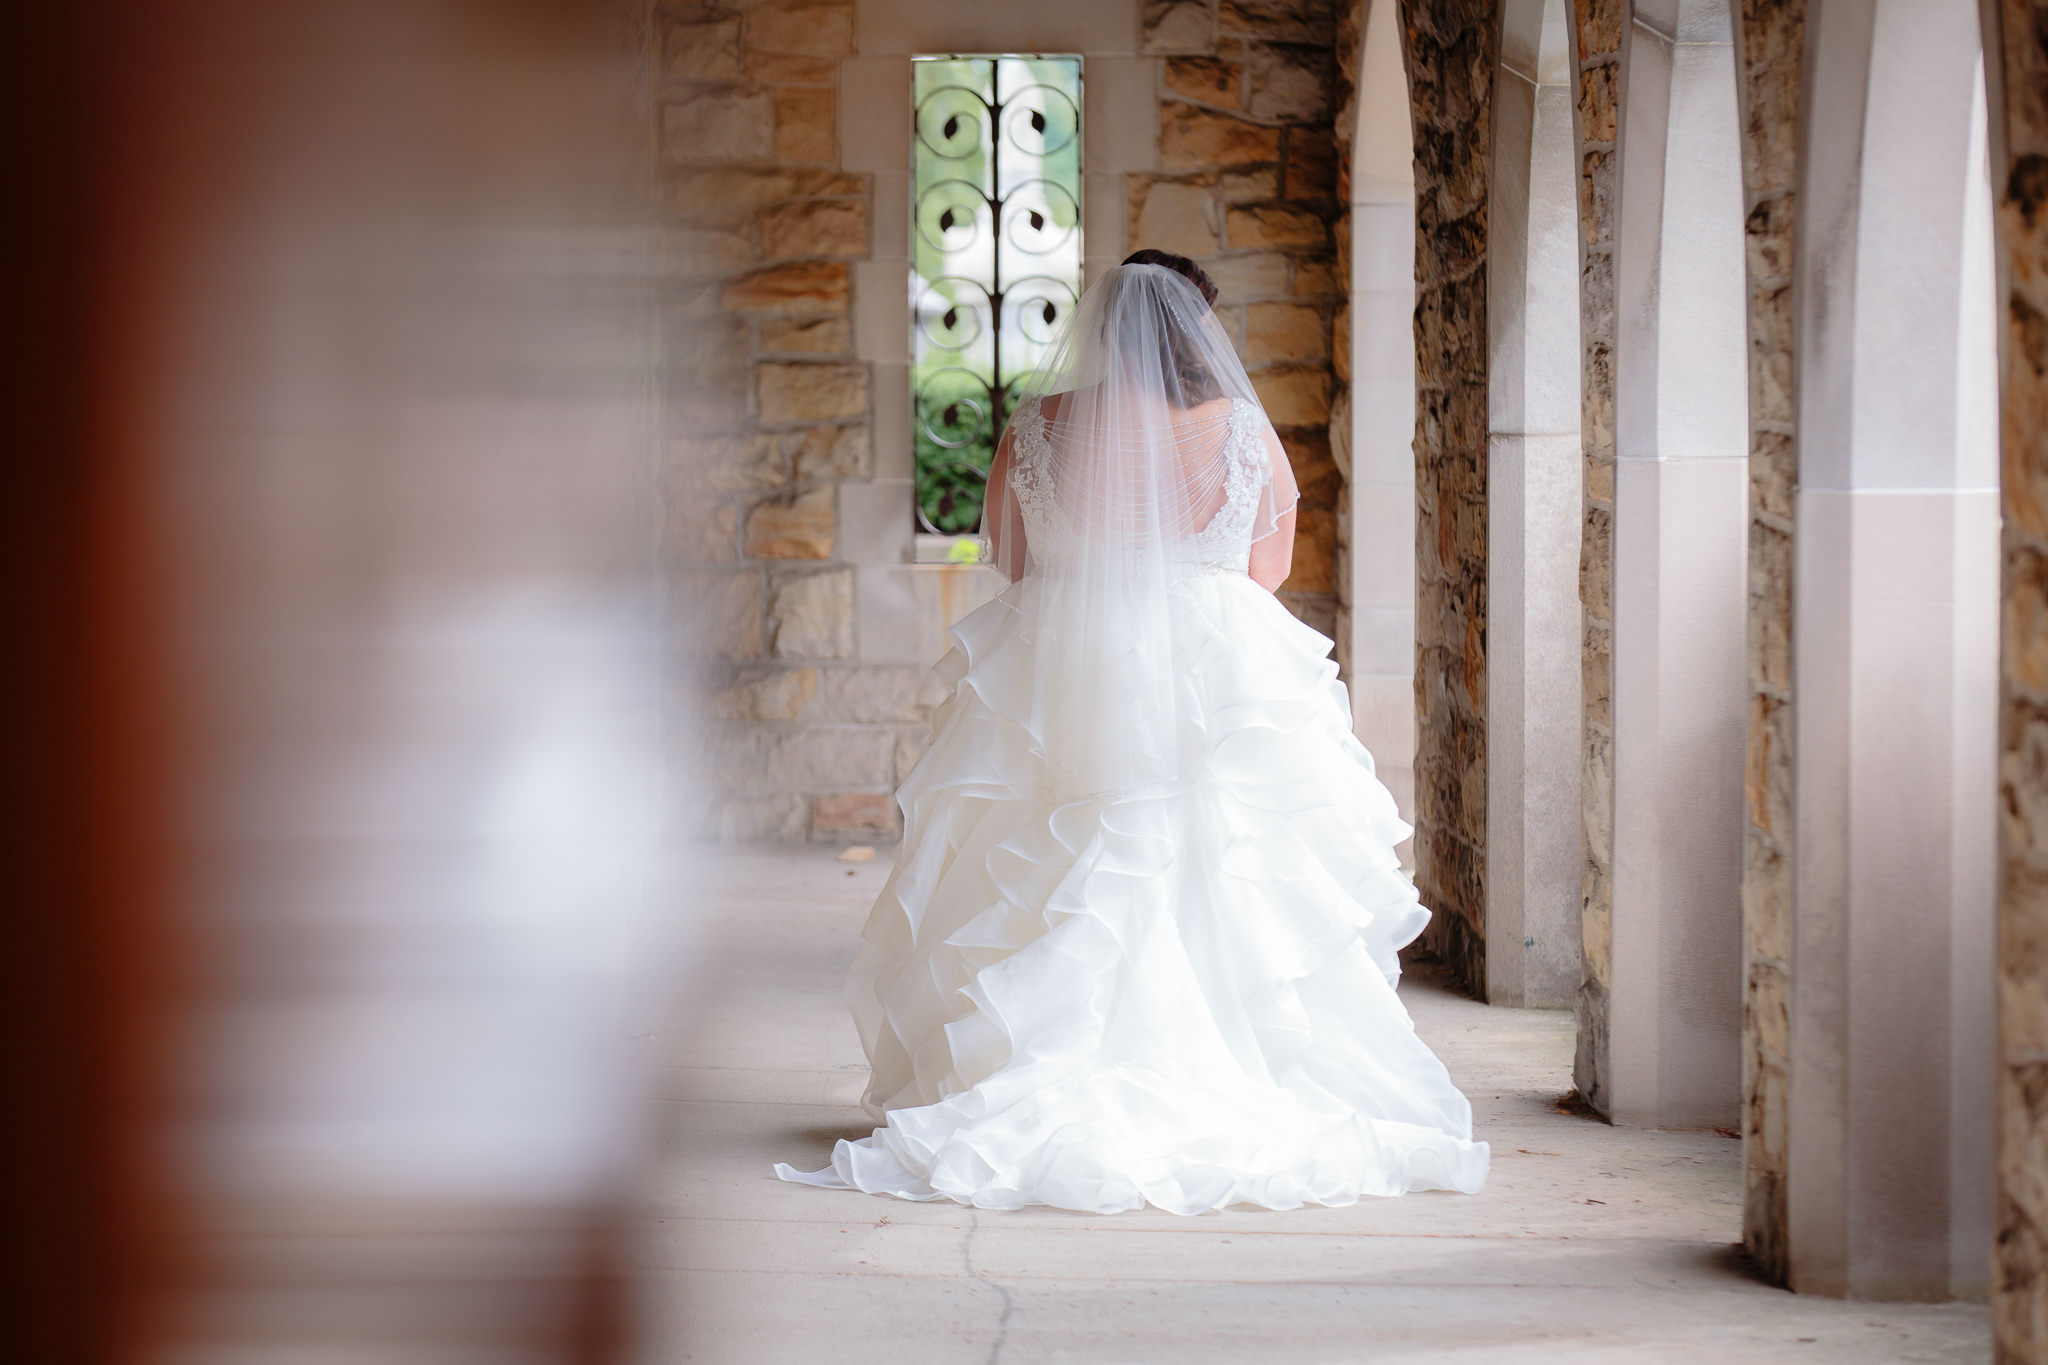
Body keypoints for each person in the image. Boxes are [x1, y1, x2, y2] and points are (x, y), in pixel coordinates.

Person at [775, 249, 1489, 1214]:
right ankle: (1245, 1063)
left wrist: (1096, 590)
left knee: (1048, 853)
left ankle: (1021, 1062)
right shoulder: (1239, 432)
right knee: (1224, 860)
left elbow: (1012, 561)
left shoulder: (1040, 424)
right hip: (1215, 664)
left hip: (1063, 661)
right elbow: (1265, 566)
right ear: (1203, 329)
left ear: (1102, 328)